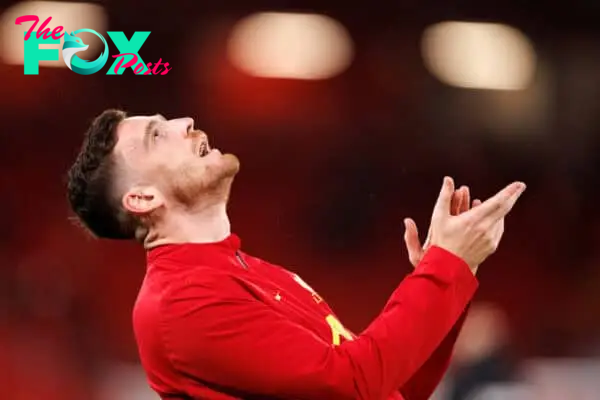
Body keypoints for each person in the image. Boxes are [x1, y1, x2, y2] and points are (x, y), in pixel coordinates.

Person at [66, 109, 526, 400]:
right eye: (157, 136)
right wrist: (443, 268)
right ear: (142, 199)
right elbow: (351, 383)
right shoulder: (180, 304)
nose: (185, 124)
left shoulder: (248, 271)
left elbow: (392, 389)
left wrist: (450, 269)